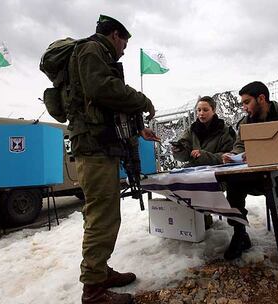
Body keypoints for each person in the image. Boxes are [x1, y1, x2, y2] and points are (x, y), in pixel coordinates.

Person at [67, 15, 159, 304]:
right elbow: (103, 90)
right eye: (125, 43)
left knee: (105, 215)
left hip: (101, 147)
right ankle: (93, 291)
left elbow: (107, 108)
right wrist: (142, 100)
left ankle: (100, 271)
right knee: (100, 217)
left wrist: (138, 128)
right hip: (93, 150)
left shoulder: (97, 55)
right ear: (116, 35)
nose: (124, 50)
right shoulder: (91, 50)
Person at [221, 81, 278, 270]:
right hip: (258, 176)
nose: (244, 108)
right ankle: (240, 232)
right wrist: (235, 155)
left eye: (247, 102)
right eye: (242, 104)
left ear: (261, 98)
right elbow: (240, 145)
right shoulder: (245, 122)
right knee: (233, 183)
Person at [172, 96, 235, 167]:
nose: (201, 113)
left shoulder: (225, 131)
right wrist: (178, 151)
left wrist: (203, 156)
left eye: (205, 110)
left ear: (213, 111)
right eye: (199, 110)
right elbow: (185, 156)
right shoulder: (191, 130)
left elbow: (229, 156)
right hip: (195, 172)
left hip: (218, 171)